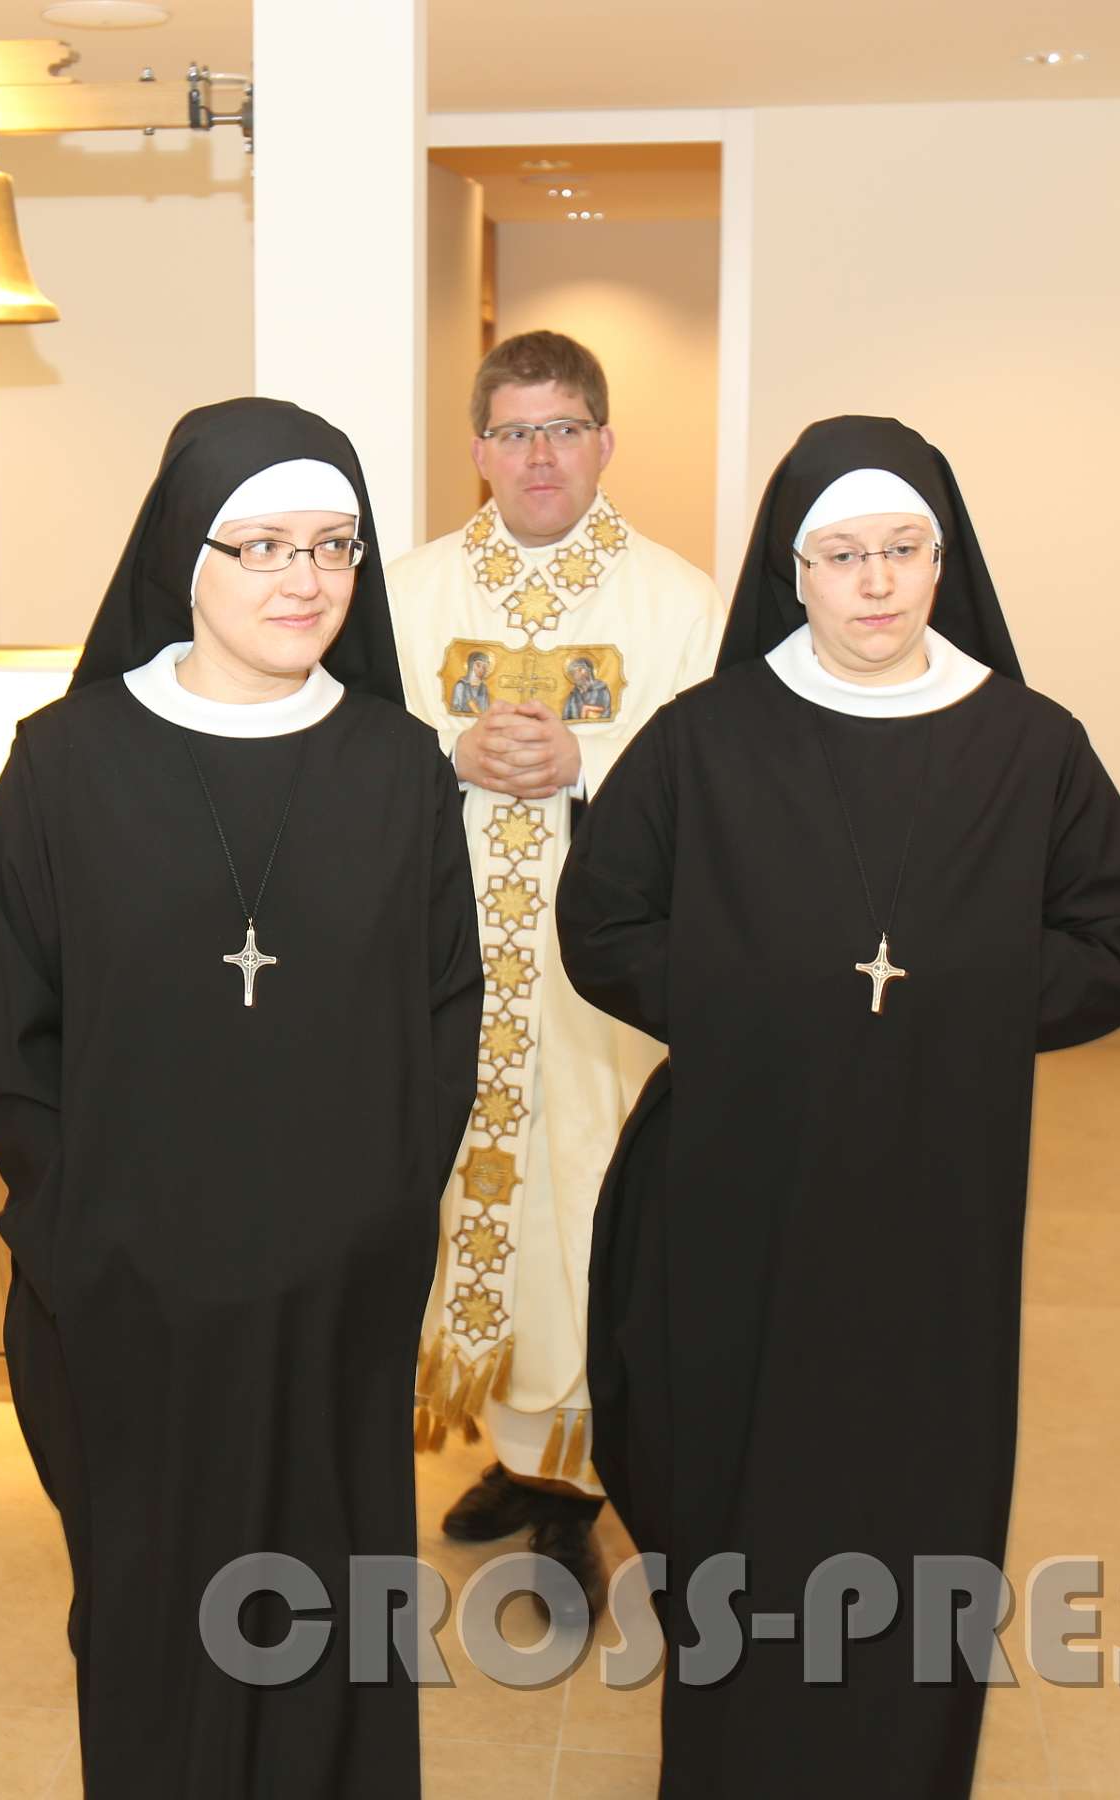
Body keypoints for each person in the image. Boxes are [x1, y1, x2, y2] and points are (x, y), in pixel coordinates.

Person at [557, 415, 1120, 1796]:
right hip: (747, 1185)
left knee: (918, 1487)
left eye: (904, 549)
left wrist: (965, 1006)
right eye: (843, 555)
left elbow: (1116, 934)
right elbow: (604, 921)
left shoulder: (1028, 743)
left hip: (937, 1186)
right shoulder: (710, 737)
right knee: (744, 1488)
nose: (878, 582)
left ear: (946, 562)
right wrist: (751, 1003)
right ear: (795, 570)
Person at [0, 397, 482, 1799]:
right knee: (160, 1614)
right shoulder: (67, 764)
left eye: (335, 545)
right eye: (265, 546)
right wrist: (81, 1231)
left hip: (336, 1297)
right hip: (135, 1287)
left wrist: (385, 1214)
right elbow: (4, 1033)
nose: (306, 579)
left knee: (330, 1616)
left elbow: (446, 1014)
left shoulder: (399, 769)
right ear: (186, 556)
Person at [386, 331, 723, 1600]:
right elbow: (351, 748)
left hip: (598, 991)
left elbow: (717, 780)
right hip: (451, 965)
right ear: (478, 450)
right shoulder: (409, 594)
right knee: (461, 1204)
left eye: (565, 429)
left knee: (587, 1208)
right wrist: (446, 757)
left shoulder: (679, 603)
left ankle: (578, 1486)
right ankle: (517, 1455)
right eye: (516, 432)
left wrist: (592, 763)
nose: (541, 456)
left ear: (605, 443)